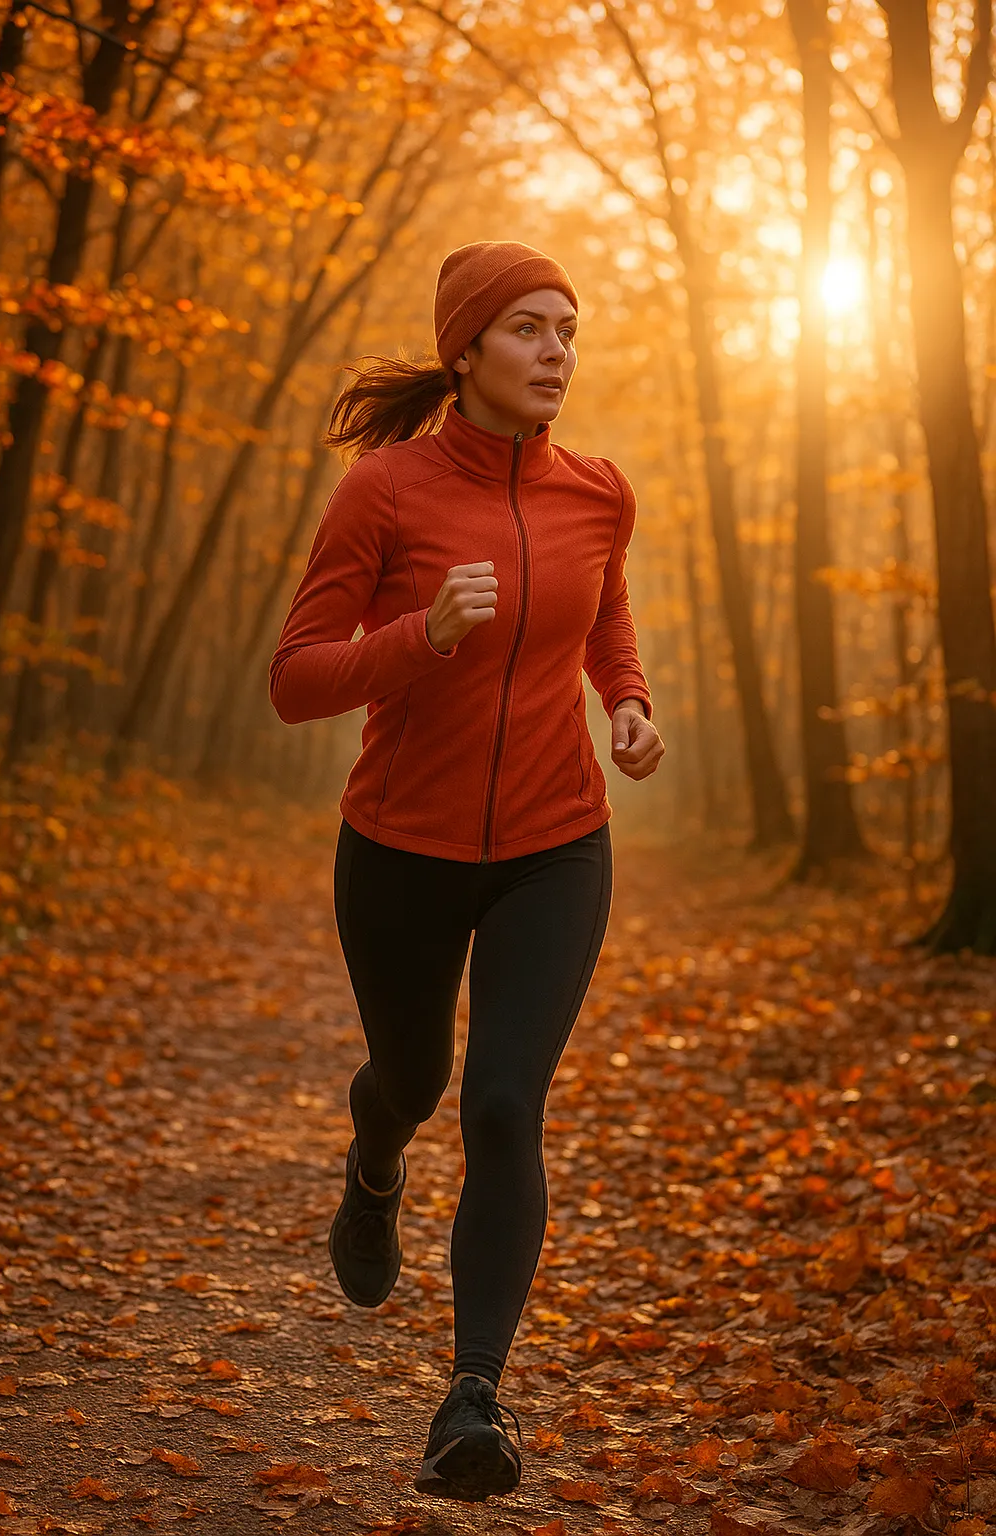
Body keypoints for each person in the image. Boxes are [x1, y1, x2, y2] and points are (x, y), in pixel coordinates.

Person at [268, 240, 665, 1504]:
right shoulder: (382, 493)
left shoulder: (598, 490)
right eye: (530, 330)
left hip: (558, 843)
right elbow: (295, 679)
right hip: (398, 849)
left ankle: (471, 1398)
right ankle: (372, 1154)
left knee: (502, 1100)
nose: (558, 353)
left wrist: (630, 704)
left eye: (568, 329)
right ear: (466, 351)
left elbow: (605, 615)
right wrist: (420, 637)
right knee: (415, 1079)